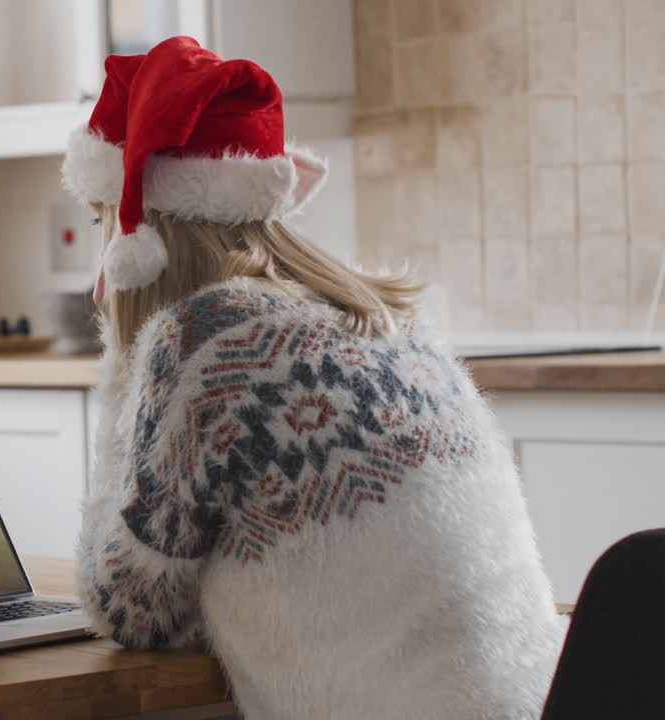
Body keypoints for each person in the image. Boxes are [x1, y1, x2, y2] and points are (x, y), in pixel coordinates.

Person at [65, 37, 565, 719]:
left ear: (139, 242)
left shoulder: (201, 344)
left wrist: (122, 378)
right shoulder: (391, 321)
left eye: (102, 223)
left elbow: (130, 611)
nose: (98, 284)